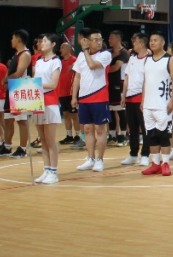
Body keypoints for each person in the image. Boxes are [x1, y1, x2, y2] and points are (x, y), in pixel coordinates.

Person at [72, 27, 112, 172]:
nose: (98, 42)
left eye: (100, 39)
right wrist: (74, 96)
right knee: (87, 129)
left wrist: (85, 51)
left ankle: (100, 159)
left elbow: (93, 65)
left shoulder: (105, 54)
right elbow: (77, 77)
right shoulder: (81, 55)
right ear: (87, 41)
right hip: (84, 98)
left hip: (99, 96)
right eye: (95, 40)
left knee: (100, 129)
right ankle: (90, 158)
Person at [140, 32, 173, 176]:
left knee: (164, 135)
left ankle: (165, 163)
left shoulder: (170, 59)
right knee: (151, 136)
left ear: (162, 42)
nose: (152, 42)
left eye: (155, 40)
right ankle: (155, 164)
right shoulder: (147, 59)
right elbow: (146, 81)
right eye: (151, 40)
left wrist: (172, 101)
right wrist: (143, 100)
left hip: (163, 104)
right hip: (148, 104)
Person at [31, 34, 64, 184]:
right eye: (41, 41)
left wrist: (34, 84)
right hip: (37, 102)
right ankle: (46, 169)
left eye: (45, 41)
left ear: (53, 44)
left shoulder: (56, 61)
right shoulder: (38, 61)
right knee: (43, 140)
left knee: (50, 140)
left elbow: (52, 84)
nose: (41, 43)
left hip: (50, 102)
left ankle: (54, 172)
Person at [0, 30, 32, 158]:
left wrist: (5, 80)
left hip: (21, 88)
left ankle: (23, 149)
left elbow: (18, 73)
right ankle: (7, 146)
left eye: (13, 38)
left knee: (22, 121)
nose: (11, 41)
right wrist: (6, 80)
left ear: (18, 39)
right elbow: (10, 72)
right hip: (12, 88)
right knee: (7, 119)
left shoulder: (25, 54)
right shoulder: (16, 55)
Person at [121, 33, 150, 167]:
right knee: (132, 128)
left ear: (142, 44)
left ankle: (145, 155)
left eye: (136, 42)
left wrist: (144, 100)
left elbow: (147, 81)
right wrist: (123, 95)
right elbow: (127, 77)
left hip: (141, 96)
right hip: (130, 97)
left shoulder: (149, 59)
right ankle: (133, 154)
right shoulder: (132, 58)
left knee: (144, 128)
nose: (133, 44)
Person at [106, 30, 130, 147]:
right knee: (110, 110)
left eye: (112, 37)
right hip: (108, 84)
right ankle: (112, 135)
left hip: (119, 85)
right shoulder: (108, 52)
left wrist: (103, 70)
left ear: (118, 39)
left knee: (120, 110)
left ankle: (123, 135)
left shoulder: (124, 53)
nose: (109, 40)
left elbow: (116, 67)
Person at [56, 40, 80, 147]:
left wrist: (74, 65)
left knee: (74, 115)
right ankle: (69, 135)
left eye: (63, 47)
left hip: (71, 92)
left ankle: (78, 135)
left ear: (69, 49)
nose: (60, 49)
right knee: (66, 115)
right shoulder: (60, 62)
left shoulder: (75, 60)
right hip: (62, 92)